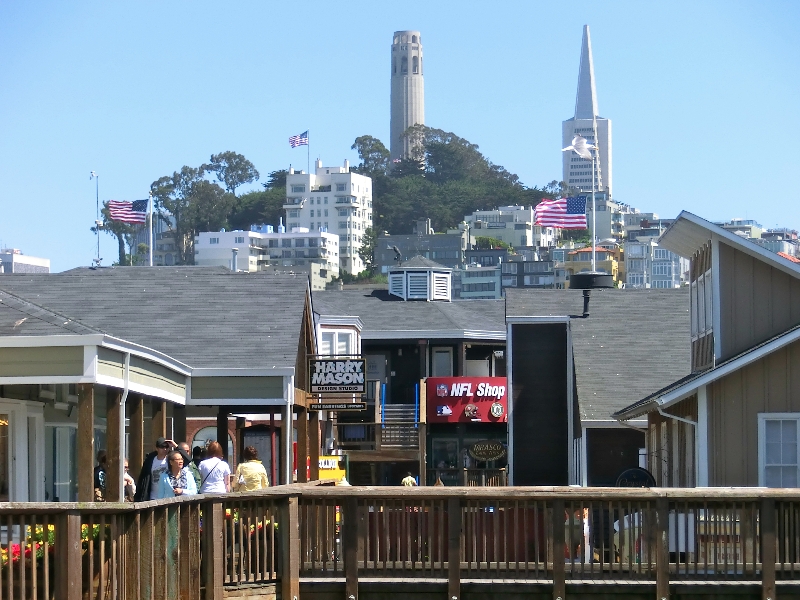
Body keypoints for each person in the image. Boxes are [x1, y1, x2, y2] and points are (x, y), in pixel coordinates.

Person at [134, 437, 173, 501]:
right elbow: (143, 479)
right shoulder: (150, 460)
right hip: (153, 497)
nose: (165, 449)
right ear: (157, 448)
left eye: (167, 447)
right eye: (162, 447)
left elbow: (186, 460)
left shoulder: (171, 459)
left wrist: (175, 446)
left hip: (168, 497)